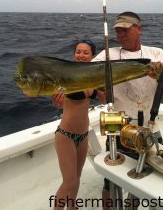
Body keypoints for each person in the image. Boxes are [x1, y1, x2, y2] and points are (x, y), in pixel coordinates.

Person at [92, 11, 163, 209]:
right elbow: (89, 84)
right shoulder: (106, 54)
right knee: (110, 178)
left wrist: (160, 76)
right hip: (117, 123)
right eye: (118, 31)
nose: (120, 35)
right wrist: (98, 91)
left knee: (147, 176)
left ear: (139, 29)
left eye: (125, 30)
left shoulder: (156, 54)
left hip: (150, 124)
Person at [53, 39, 99, 210]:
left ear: (92, 56)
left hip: (83, 135)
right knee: (69, 181)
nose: (81, 55)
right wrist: (57, 101)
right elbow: (57, 100)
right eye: (78, 51)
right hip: (66, 136)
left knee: (77, 178)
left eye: (85, 52)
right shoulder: (66, 76)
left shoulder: (93, 77)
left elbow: (105, 96)